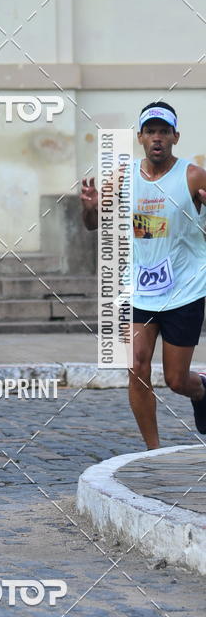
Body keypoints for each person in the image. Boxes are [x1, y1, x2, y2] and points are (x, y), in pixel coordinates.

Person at [81, 102, 206, 449]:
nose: (157, 138)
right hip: (139, 289)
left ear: (175, 137)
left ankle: (201, 389)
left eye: (164, 132)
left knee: (177, 380)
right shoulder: (122, 178)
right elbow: (93, 225)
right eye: (150, 131)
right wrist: (89, 208)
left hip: (186, 289)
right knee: (136, 364)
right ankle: (153, 451)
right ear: (140, 137)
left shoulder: (193, 175)